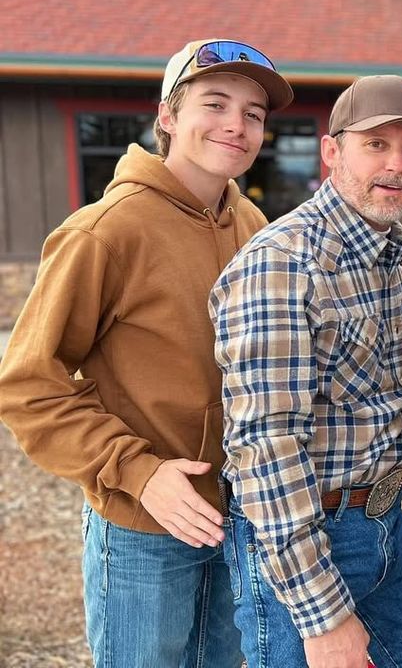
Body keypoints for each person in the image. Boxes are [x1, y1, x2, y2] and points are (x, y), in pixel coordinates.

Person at [0, 38, 293, 666]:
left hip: (240, 519)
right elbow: (27, 384)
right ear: (167, 116)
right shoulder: (106, 231)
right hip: (143, 530)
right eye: (215, 104)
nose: (236, 126)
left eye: (253, 113)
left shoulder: (255, 230)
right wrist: (139, 471)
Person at [209, 75, 402, 668]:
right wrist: (322, 617)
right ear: (331, 151)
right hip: (304, 538)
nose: (397, 164)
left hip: (382, 523)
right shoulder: (284, 264)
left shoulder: (388, 251)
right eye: (376, 144)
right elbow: (266, 446)